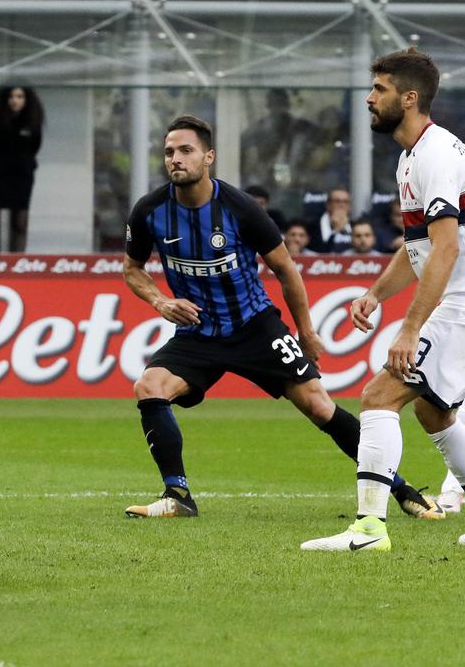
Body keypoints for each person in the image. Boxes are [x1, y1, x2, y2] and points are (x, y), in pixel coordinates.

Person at [122, 114, 440, 519]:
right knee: (149, 386)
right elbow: (132, 269)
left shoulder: (239, 208)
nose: (175, 159)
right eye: (169, 152)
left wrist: (306, 333)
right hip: (198, 332)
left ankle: (402, 490)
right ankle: (177, 495)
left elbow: (286, 270)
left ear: (208, 157)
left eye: (186, 150)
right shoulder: (150, 211)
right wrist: (160, 302)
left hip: (256, 326)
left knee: (319, 407)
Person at [303, 49, 465, 551]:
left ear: (409, 97)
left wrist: (411, 326)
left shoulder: (437, 154)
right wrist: (376, 293)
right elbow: (417, 245)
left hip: (460, 303)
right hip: (455, 299)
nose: (370, 99)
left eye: (379, 89)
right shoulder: (411, 156)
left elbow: (447, 245)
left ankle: (370, 530)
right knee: (433, 414)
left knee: (379, 396)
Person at [0, 86, 43, 252]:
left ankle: (18, 264)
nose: (15, 101)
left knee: (20, 223)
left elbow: (34, 147)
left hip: (21, 176)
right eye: (12, 97)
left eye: (20, 97)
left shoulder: (32, 122)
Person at [309, 187, 353, 253]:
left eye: (345, 202)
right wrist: (336, 231)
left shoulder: (356, 225)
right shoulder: (312, 227)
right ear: (328, 204)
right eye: (337, 201)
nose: (341, 205)